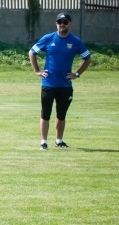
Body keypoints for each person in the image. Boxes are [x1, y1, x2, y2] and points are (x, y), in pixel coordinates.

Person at [29, 12, 91, 150]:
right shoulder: (48, 38)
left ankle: (59, 141)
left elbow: (87, 58)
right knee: (45, 114)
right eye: (59, 22)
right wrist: (37, 71)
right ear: (56, 23)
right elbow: (32, 52)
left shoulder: (75, 41)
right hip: (48, 84)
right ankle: (43, 142)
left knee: (61, 115)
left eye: (65, 22)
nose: (62, 24)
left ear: (70, 24)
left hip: (65, 85)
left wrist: (77, 74)